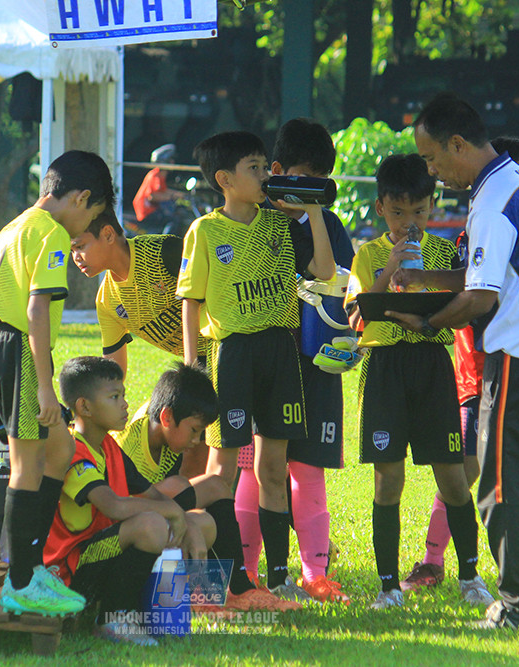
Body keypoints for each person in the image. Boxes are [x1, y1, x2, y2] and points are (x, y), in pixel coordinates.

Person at [389, 92, 519, 628]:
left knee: (502, 489)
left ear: (458, 144)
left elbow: (480, 300)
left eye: (432, 159)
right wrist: (422, 279)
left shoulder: (493, 198)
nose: (432, 172)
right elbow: (490, 277)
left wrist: (425, 322)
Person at [177, 130, 334, 601]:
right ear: (224, 179)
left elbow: (324, 273)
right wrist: (192, 366)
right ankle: (219, 577)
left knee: (272, 470)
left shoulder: (280, 225)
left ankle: (279, 578)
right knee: (223, 471)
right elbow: (191, 300)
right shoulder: (205, 230)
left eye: (267, 166)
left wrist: (314, 214)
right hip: (234, 355)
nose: (267, 175)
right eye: (255, 167)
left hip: (280, 353)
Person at [342, 153, 491, 611]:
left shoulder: (447, 253)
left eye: (420, 211)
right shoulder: (366, 255)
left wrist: (426, 309)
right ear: (381, 206)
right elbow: (355, 318)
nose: (410, 222)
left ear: (433, 205)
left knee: (452, 476)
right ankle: (388, 587)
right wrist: (390, 268)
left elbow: (467, 300)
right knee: (388, 479)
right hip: (384, 369)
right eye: (398, 212)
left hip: (431, 367)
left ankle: (470, 577)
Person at [402, 136, 519, 592]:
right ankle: (437, 560)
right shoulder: (480, 230)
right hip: (477, 381)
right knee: (465, 473)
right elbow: (472, 290)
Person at [0, 150, 114, 615]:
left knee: (58, 451)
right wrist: (41, 385)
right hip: (19, 347)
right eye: (91, 214)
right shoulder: (54, 235)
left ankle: (34, 566)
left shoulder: (14, 227)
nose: (85, 228)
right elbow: (37, 310)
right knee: (27, 464)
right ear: (79, 198)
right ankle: (20, 582)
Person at [232, 118, 354, 604]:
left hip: (314, 363)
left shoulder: (328, 224)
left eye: (320, 182)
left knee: (308, 468)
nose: (310, 190)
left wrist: (316, 213)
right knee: (252, 468)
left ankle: (315, 573)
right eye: (302, 178)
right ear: (278, 171)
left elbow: (332, 276)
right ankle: (245, 570)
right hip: (259, 361)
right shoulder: (251, 218)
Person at [45, 356, 216, 645]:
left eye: (123, 394)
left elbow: (151, 493)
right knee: (151, 525)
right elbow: (114, 506)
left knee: (203, 522)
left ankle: (146, 608)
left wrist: (184, 518)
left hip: (102, 552)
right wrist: (171, 513)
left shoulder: (109, 446)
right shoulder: (74, 451)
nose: (125, 403)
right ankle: (113, 617)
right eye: (114, 397)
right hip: (69, 571)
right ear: (84, 407)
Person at [114, 363, 300, 611]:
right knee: (210, 487)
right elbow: (119, 509)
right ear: (166, 418)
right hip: (125, 536)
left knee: (204, 523)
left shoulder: (162, 423)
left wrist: (184, 519)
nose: (195, 441)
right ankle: (238, 588)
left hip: (149, 523)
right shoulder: (130, 450)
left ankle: (205, 596)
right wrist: (178, 516)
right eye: (194, 431)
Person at [69, 209, 213, 475]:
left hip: (227, 350)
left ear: (108, 234)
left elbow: (217, 284)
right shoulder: (107, 301)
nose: (75, 256)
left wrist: (195, 373)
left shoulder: (162, 251)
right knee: (161, 428)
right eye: (72, 249)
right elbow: (115, 373)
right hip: (192, 372)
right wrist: (92, 413)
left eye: (80, 246)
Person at [133, 143, 188, 235]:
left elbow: (163, 190)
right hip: (147, 212)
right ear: (165, 162)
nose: (173, 163)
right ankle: (165, 244)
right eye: (170, 160)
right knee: (173, 220)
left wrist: (181, 194)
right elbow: (152, 196)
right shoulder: (155, 175)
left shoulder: (160, 176)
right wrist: (173, 196)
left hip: (152, 211)